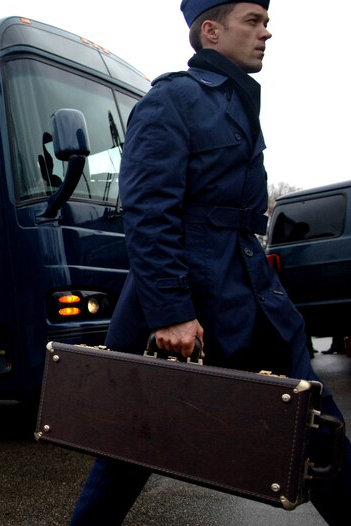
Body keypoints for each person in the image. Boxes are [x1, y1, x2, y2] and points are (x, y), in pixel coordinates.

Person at [70, 2, 351, 524]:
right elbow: (149, 210)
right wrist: (170, 310)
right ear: (211, 30)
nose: (267, 31)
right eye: (253, 20)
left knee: (315, 426)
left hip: (248, 287)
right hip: (193, 296)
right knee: (130, 449)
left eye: (265, 21)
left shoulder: (238, 100)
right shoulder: (173, 98)